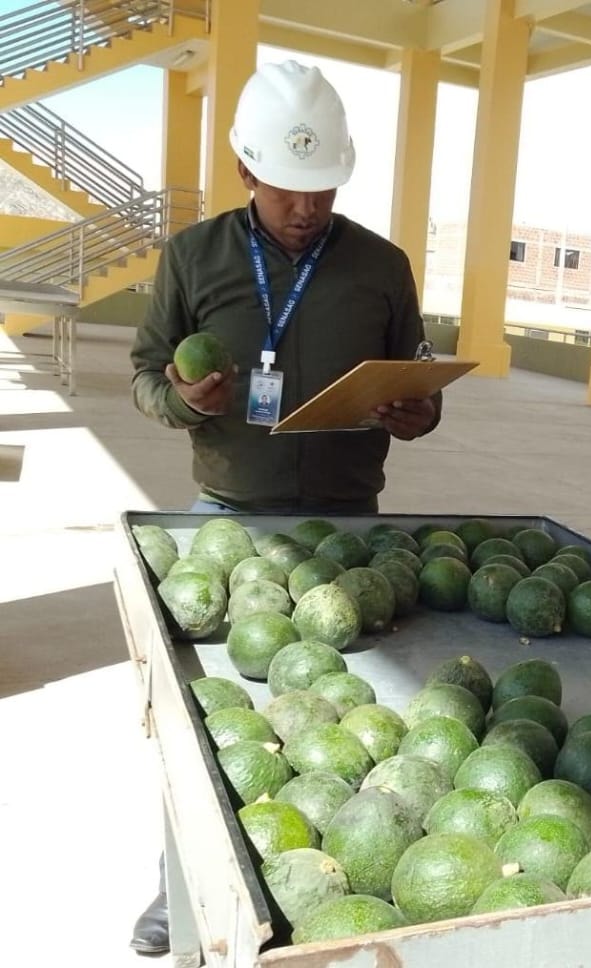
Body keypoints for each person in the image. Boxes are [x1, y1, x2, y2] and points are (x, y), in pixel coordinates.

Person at [127, 60, 443, 954]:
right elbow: (148, 373)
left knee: (352, 712)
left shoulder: (382, 266)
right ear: (246, 172)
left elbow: (419, 386)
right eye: (287, 188)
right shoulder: (194, 256)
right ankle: (176, 882)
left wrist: (419, 410)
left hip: (353, 522)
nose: (306, 207)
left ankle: (325, 874)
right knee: (207, 718)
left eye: (322, 187)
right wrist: (182, 402)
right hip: (226, 516)